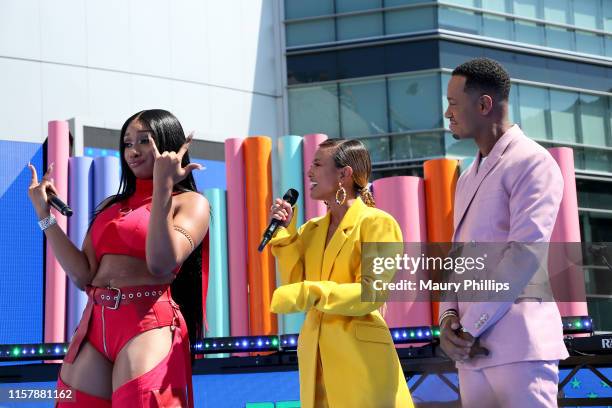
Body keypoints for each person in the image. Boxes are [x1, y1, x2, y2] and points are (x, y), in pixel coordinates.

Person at [27, 109, 210, 407]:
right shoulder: (112, 205)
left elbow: (161, 263)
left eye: (143, 141)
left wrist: (163, 187)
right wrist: (43, 215)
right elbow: (83, 274)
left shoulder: (191, 203)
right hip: (94, 323)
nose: (133, 151)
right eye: (127, 143)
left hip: (146, 322)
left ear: (169, 145)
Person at [439, 58, 568, 407]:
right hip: (472, 352)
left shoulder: (533, 162)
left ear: (483, 105)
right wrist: (448, 317)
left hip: (520, 347)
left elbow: (524, 255)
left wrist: (469, 327)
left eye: (453, 103)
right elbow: (458, 256)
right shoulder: (466, 176)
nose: (447, 113)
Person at [268, 139, 413, 408]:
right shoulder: (311, 230)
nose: (309, 172)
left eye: (317, 164)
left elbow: (371, 294)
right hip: (316, 361)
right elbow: (294, 285)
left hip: (361, 364)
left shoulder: (378, 223)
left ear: (344, 174)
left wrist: (312, 291)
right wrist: (285, 235)